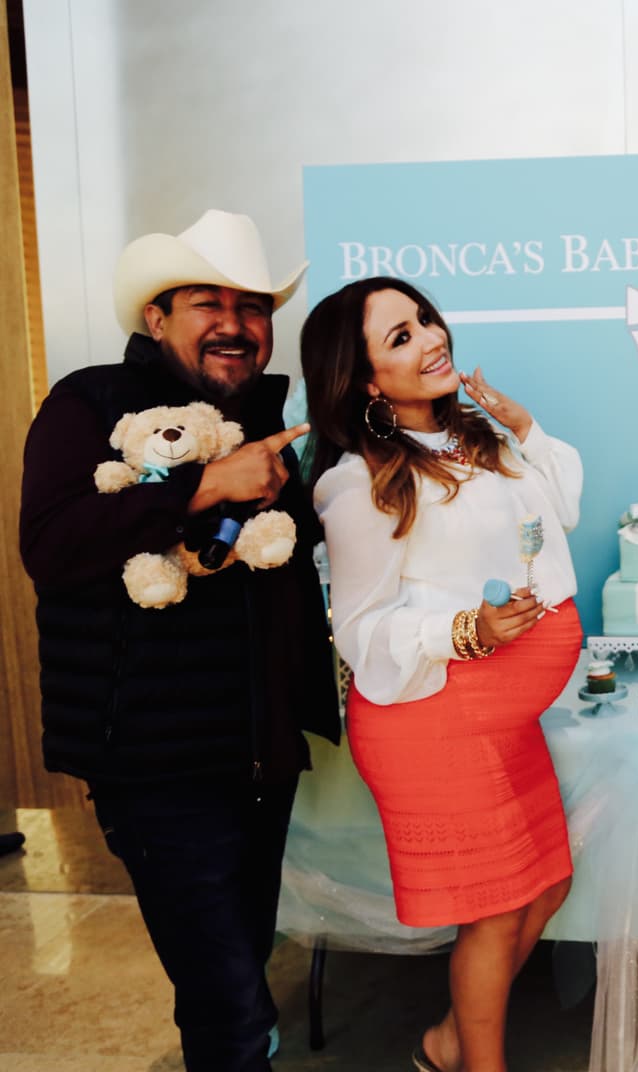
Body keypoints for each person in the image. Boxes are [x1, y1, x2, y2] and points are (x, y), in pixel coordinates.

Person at [19, 209, 340, 1071]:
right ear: (156, 318)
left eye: (253, 306)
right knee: (228, 1002)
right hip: (154, 761)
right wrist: (202, 486)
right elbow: (50, 546)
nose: (236, 324)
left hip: (259, 753)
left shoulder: (272, 416)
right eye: (209, 303)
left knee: (240, 967)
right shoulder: (88, 403)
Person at [300, 276, 583, 1072]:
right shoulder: (359, 482)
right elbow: (360, 629)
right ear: (364, 382)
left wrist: (521, 425)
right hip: (436, 721)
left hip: (503, 722)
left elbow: (559, 510)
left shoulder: (474, 441)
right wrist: (466, 631)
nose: (431, 338)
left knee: (547, 886)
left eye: (424, 319)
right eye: (400, 337)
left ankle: (448, 1042)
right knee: (494, 914)